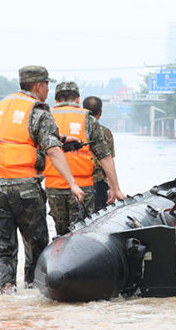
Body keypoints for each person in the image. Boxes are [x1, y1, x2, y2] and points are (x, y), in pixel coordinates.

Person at [0, 66, 85, 295]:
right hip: (24, 188)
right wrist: (72, 183)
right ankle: (34, 292)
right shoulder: (38, 109)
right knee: (37, 246)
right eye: (47, 85)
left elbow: (15, 138)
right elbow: (53, 150)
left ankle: (5, 292)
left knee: (3, 249)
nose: (48, 90)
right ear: (39, 85)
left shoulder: (4, 107)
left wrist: (62, 138)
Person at [44, 82, 126, 235]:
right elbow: (105, 157)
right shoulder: (87, 119)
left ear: (56, 100)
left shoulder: (45, 118)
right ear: (77, 99)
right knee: (81, 235)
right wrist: (115, 189)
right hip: (82, 188)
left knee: (61, 234)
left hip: (53, 187)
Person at [82, 95, 115, 211]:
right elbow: (108, 159)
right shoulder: (106, 132)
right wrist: (114, 188)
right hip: (99, 183)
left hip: (79, 181)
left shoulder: (75, 130)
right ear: (100, 112)